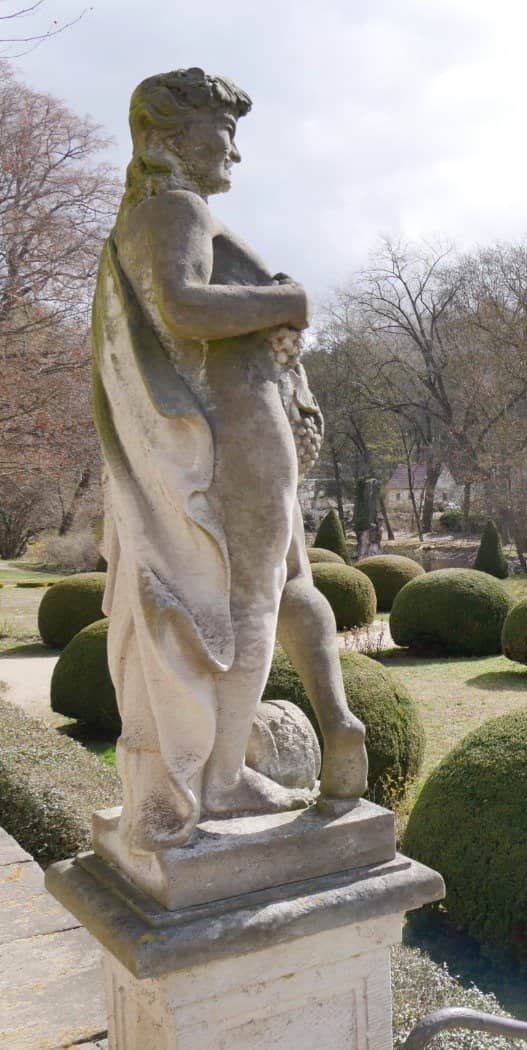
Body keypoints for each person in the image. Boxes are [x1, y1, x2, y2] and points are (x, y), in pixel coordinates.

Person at [93, 69, 366, 852]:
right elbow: (183, 304)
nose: (235, 152)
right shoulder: (173, 209)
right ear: (165, 136)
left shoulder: (164, 213)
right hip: (234, 436)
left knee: (280, 584)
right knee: (256, 597)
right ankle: (218, 778)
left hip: (247, 429)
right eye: (224, 130)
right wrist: (289, 301)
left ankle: (251, 757)